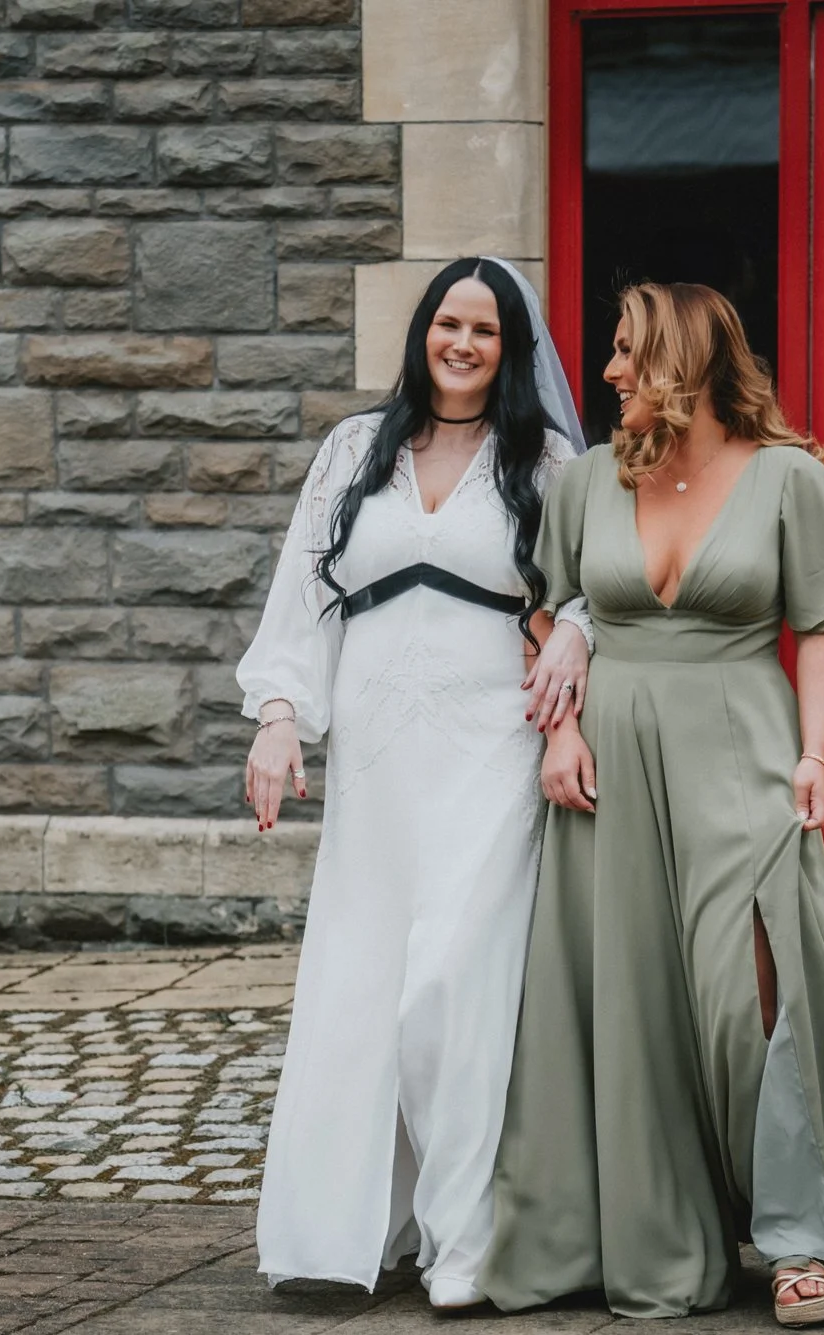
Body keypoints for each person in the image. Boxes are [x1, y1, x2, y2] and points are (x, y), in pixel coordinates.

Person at [482, 283, 824, 1326]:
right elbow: (545, 613)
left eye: (626, 355)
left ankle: (798, 1239)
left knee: (751, 1000)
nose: (606, 373)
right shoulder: (588, 481)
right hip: (608, 771)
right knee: (631, 1002)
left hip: (743, 748)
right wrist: (556, 732)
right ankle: (652, 1238)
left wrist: (815, 757)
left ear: (685, 366)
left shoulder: (788, 478)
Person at [238, 256, 592, 1308]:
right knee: (355, 985)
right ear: (423, 331)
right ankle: (330, 1238)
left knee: (450, 986)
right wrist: (277, 718)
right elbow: (302, 590)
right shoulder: (355, 447)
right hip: (376, 765)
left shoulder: (548, 460)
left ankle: (465, 1245)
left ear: (509, 349)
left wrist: (572, 633)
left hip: (491, 752)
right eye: (449, 322)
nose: (463, 344)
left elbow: (596, 582)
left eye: (485, 330)